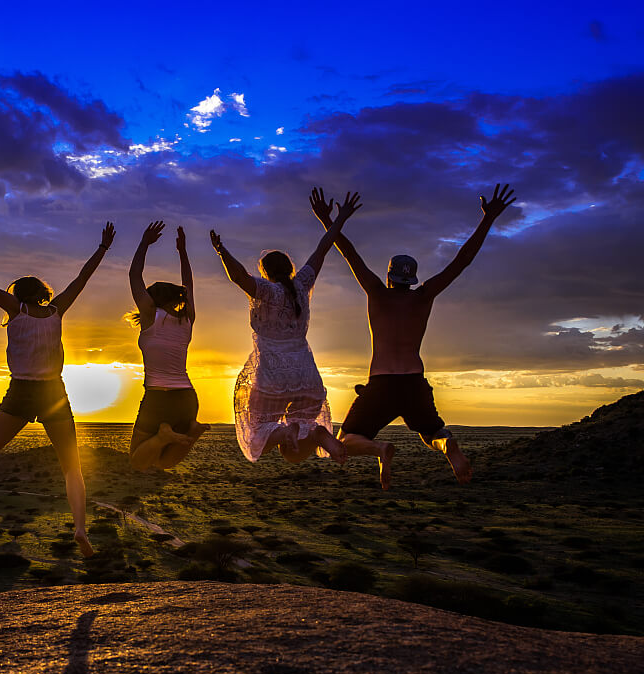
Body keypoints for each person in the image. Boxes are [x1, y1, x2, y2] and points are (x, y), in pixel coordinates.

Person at [311, 184, 516, 489]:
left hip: (382, 383)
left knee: (346, 441)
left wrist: (328, 219)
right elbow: (462, 261)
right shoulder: (424, 296)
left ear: (389, 276)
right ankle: (447, 446)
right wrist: (488, 218)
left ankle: (379, 450)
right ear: (412, 279)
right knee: (431, 433)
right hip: (414, 382)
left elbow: (349, 254)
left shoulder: (377, 293)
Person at [0, 223, 116, 557]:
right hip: (54, 393)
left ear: (17, 295)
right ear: (43, 293)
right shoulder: (57, 311)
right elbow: (81, 279)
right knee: (72, 466)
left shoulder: (16, 310)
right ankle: (80, 528)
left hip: (21, 392)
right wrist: (102, 248)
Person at [211, 191, 361, 464]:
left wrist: (222, 251)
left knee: (256, 433)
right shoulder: (301, 285)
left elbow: (238, 276)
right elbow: (322, 249)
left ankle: (284, 432)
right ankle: (319, 435)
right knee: (298, 446)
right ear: (290, 268)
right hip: (306, 376)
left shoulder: (266, 291)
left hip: (272, 376)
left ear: (265, 271)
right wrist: (339, 219)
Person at [126, 221, 209, 471]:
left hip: (158, 396)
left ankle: (163, 436)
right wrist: (182, 251)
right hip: (186, 397)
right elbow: (189, 284)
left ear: (151, 300)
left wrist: (144, 243)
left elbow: (134, 276)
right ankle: (192, 431)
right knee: (166, 462)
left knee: (138, 462)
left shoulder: (151, 315)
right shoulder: (187, 318)